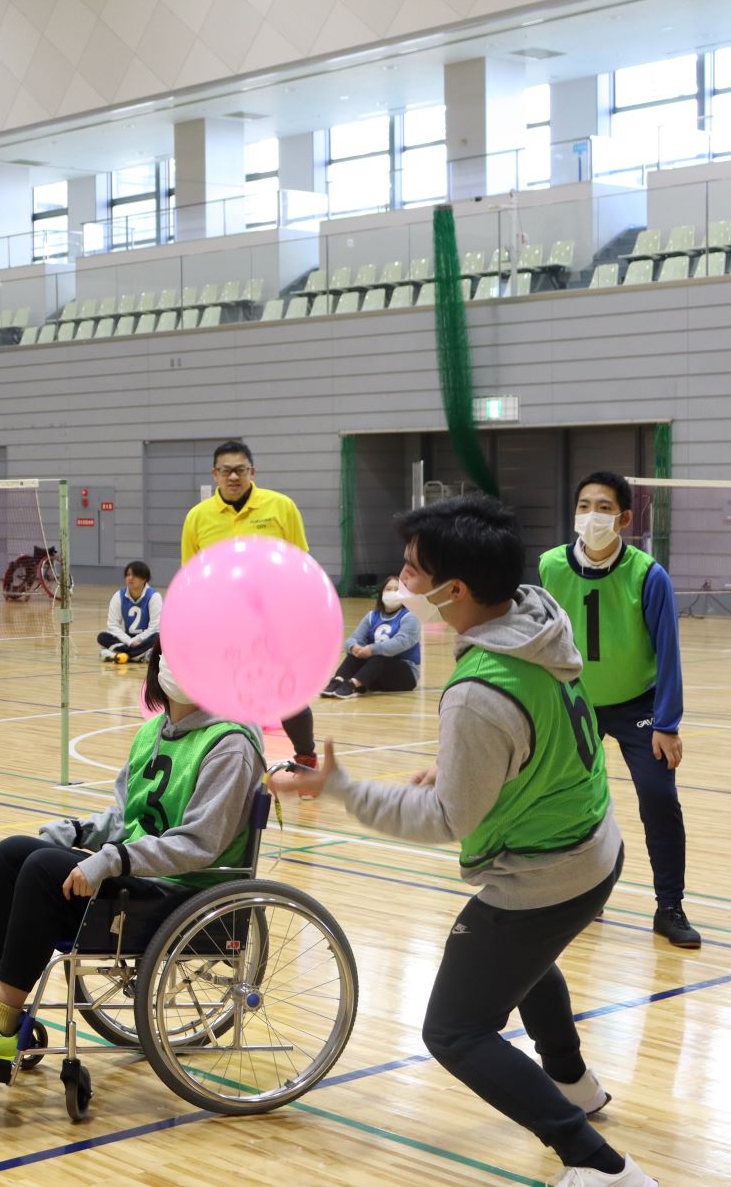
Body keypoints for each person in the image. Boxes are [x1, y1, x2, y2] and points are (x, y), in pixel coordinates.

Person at [271, 496, 657, 1187]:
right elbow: (531, 738)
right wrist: (469, 770)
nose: (401, 580)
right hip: (594, 843)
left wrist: (341, 787)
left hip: (551, 870)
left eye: (414, 570)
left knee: (454, 1030)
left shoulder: (479, 691)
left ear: (457, 590)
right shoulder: (538, 617)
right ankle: (571, 1080)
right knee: (526, 961)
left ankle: (601, 1167)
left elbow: (444, 819)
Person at [0, 632, 263, 1062]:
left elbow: (200, 844)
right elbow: (129, 817)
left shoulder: (231, 743)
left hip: (183, 894)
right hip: (138, 878)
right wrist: (75, 831)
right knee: (13, 852)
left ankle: (2, 1021)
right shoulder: (153, 732)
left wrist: (109, 860)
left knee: (42, 870)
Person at [538, 472, 697, 949]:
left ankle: (669, 906)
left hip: (638, 708)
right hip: (573, 700)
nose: (592, 515)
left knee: (659, 799)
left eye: (604, 507)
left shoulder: (648, 574)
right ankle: (584, 894)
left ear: (624, 519)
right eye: (584, 505)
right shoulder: (549, 566)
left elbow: (668, 652)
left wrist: (667, 724)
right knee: (567, 801)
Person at [180, 439, 317, 767]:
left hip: (275, 622)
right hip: (223, 627)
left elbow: (301, 564)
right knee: (222, 699)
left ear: (252, 471)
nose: (233, 477)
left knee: (288, 693)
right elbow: (192, 578)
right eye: (226, 470)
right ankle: (224, 765)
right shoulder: (198, 518)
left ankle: (306, 760)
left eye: (240, 470)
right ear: (215, 474)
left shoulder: (281, 507)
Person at [322, 576, 422, 698]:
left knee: (380, 656)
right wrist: (354, 647)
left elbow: (401, 642)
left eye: (396, 590)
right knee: (355, 655)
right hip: (375, 672)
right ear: (381, 594)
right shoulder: (372, 616)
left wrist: (372, 649)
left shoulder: (409, 617)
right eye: (388, 589)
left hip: (405, 674)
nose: (392, 593)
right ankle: (338, 680)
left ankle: (354, 684)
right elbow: (353, 638)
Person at [95, 560, 160, 661]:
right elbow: (112, 625)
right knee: (102, 637)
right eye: (128, 575)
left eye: (135, 575)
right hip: (127, 638)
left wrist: (136, 640)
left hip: (146, 639)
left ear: (144, 578)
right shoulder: (118, 596)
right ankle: (139, 655)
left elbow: (154, 628)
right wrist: (130, 642)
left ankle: (120, 654)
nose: (130, 578)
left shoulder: (154, 597)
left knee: (158, 637)